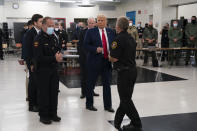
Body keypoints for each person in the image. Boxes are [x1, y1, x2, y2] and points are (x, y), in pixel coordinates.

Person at [109, 16, 142, 131]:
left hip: (124, 73)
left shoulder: (117, 40)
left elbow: (113, 58)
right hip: (132, 71)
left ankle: (137, 124)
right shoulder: (131, 38)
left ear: (118, 27)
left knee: (125, 100)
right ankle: (117, 122)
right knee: (126, 98)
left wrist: (109, 55)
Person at [33, 17, 62, 124]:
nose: (51, 28)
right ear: (43, 25)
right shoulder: (38, 38)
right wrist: (54, 58)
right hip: (43, 71)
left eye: (53, 25)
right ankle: (44, 115)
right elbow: (39, 57)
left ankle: (53, 113)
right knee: (44, 93)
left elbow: (58, 49)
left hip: (54, 69)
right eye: (49, 26)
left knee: (54, 92)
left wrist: (59, 55)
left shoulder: (54, 37)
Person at [84, 14, 115, 112]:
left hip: (107, 62)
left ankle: (108, 106)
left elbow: (114, 45)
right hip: (94, 61)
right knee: (90, 84)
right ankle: (89, 104)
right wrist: (95, 49)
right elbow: (85, 45)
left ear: (106, 22)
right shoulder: (90, 32)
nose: (100, 22)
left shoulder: (111, 31)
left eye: (102, 20)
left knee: (107, 85)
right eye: (99, 20)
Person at [24, 14, 43, 112]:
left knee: (38, 84)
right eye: (40, 21)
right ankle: (32, 105)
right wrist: (30, 64)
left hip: (40, 63)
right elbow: (27, 50)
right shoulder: (30, 34)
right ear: (35, 23)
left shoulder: (41, 32)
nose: (42, 23)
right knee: (33, 84)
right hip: (33, 63)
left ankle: (38, 103)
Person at [79, 17, 99, 99]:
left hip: (94, 57)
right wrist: (86, 54)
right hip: (84, 57)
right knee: (84, 76)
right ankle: (83, 92)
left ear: (95, 23)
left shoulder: (97, 32)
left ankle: (91, 90)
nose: (91, 24)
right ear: (87, 23)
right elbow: (80, 45)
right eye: (90, 23)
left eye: (93, 23)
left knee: (93, 76)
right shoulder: (83, 32)